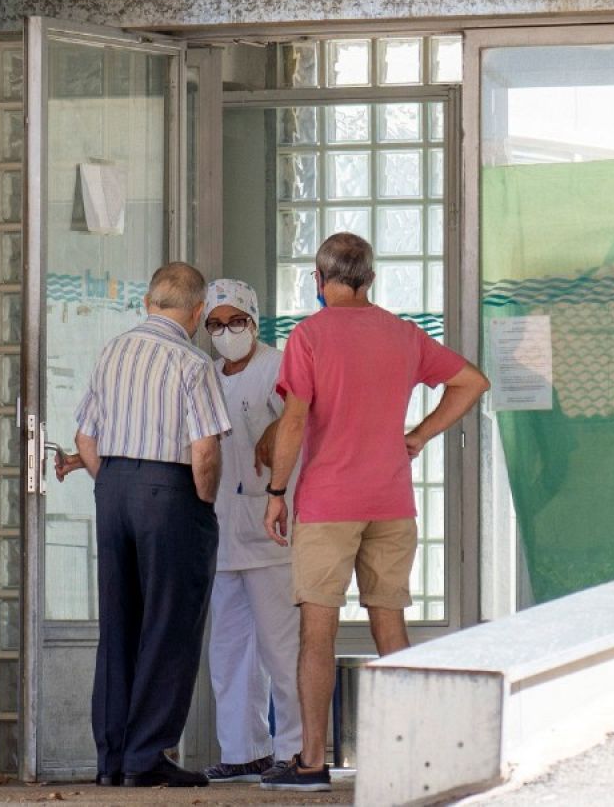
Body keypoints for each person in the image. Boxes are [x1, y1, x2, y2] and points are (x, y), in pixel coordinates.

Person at [258, 233, 491, 792]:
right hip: (391, 500)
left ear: (318, 279)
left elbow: (294, 421)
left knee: (318, 633)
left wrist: (277, 491)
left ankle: (311, 763)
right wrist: (419, 436)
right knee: (390, 626)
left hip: (329, 502)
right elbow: (472, 382)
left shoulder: (309, 336)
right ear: (371, 279)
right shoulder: (404, 334)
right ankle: (415, 762)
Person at [57, 262, 232, 788]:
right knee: (169, 624)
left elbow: (85, 437)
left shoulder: (113, 351)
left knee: (119, 625)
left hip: (113, 487)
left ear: (148, 303)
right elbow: (205, 450)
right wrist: (202, 504)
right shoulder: (192, 362)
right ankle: (147, 755)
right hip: (171, 492)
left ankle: (111, 759)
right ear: (198, 312)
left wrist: (115, 483)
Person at [196, 279, 302, 784]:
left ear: (254, 321)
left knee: (282, 649)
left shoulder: (279, 367)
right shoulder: (205, 375)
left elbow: (306, 418)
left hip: (271, 531)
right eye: (215, 325)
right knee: (229, 650)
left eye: (236, 321)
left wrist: (276, 429)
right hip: (221, 532)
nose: (226, 332)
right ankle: (244, 751)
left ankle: (297, 749)